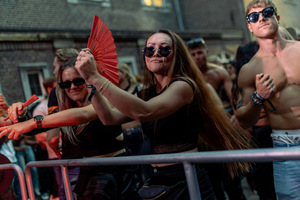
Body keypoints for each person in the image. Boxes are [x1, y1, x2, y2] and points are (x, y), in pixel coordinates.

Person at [73, 29, 252, 200]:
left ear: (177, 55)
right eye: (150, 49)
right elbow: (109, 118)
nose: (156, 53)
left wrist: (96, 77)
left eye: (164, 48)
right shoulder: (147, 92)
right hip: (158, 179)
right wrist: (90, 83)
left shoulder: (184, 85)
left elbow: (144, 111)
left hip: (187, 175)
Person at [0, 58, 141, 200]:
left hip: (117, 172)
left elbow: (82, 115)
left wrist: (33, 122)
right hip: (90, 176)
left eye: (78, 81)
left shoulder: (103, 99)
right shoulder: (66, 109)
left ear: (87, 79)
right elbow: (32, 130)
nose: (72, 87)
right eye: (65, 83)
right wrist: (20, 116)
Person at [236, 0, 300, 199]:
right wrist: (258, 97)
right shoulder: (249, 71)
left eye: (267, 12)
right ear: (250, 27)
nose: (261, 18)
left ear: (277, 17)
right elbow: (244, 119)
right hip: (285, 145)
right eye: (253, 17)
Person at [186, 37, 233, 111]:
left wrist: (236, 115)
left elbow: (232, 97)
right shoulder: (187, 75)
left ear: (206, 52)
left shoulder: (220, 72)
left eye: (199, 53)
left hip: (217, 111)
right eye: (193, 54)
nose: (197, 57)